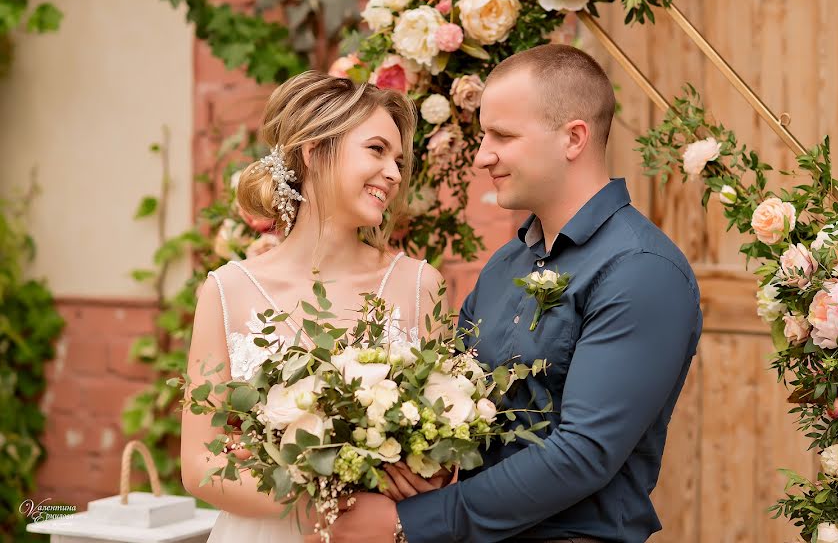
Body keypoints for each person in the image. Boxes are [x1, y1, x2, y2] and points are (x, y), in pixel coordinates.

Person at [329, 44, 703, 543]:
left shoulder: (641, 270)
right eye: (484, 135)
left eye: (502, 136)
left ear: (573, 138)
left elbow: (584, 453)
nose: (484, 155)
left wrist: (410, 523)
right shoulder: (507, 264)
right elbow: (451, 396)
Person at [179, 71, 444, 542]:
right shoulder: (227, 291)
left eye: (399, 160)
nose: (395, 174)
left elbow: (446, 453)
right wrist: (327, 506)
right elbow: (200, 463)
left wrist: (430, 475)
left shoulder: (420, 285)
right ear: (315, 149)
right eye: (377, 150)